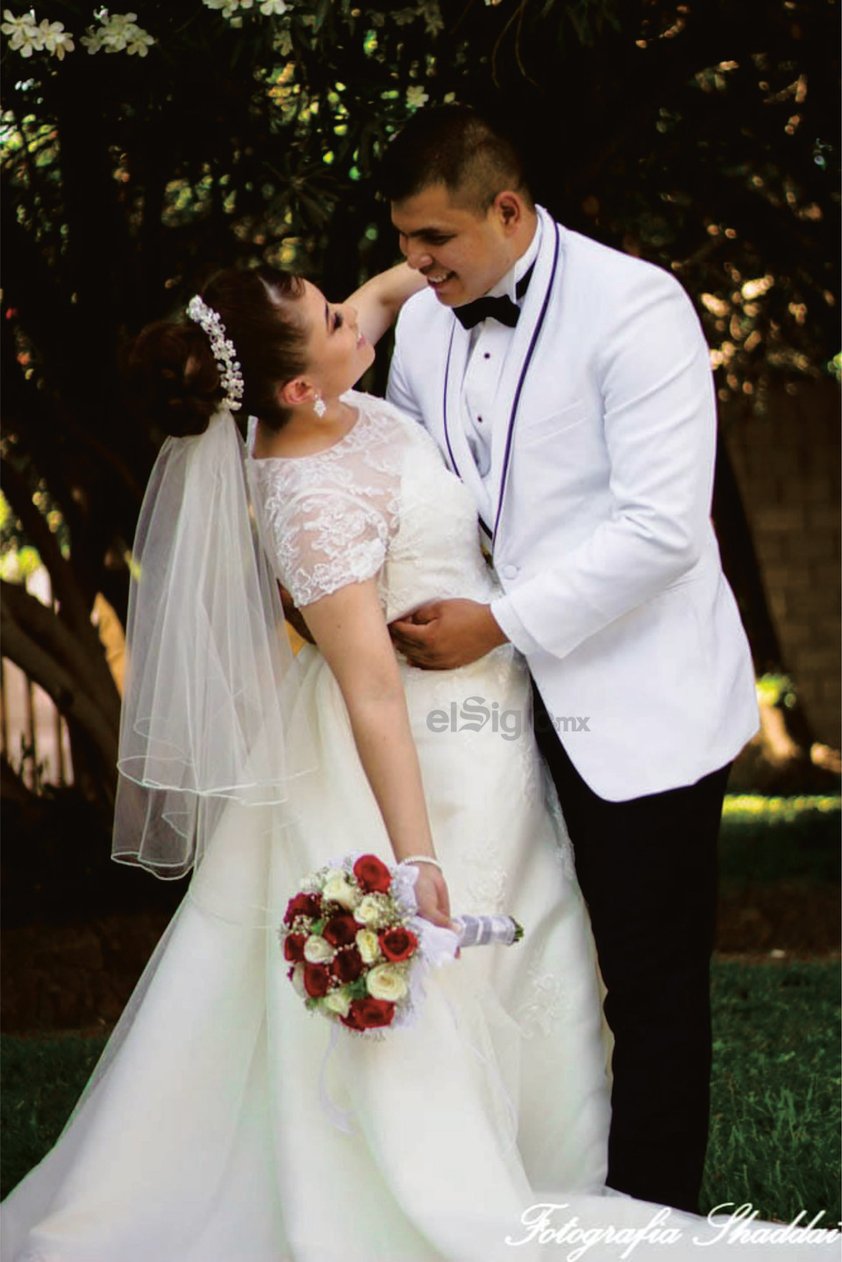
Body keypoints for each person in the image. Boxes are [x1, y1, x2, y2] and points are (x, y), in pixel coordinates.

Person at [2, 262, 835, 1262]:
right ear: (297, 388)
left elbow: (385, 296)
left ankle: (555, 1166)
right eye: (331, 320)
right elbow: (370, 689)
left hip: (492, 740)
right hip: (418, 764)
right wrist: (414, 857)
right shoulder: (307, 493)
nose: (358, 316)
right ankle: (473, 1181)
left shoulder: (329, 393)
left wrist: (435, 257)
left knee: (543, 963)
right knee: (464, 972)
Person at [381, 104, 761, 1216]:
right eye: (402, 239)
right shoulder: (420, 323)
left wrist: (497, 623)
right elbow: (424, 487)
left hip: (643, 700)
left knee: (648, 987)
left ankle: (653, 1223)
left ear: (507, 210)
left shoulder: (635, 307)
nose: (412, 264)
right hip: (488, 719)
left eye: (433, 241)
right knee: (513, 971)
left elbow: (659, 529)